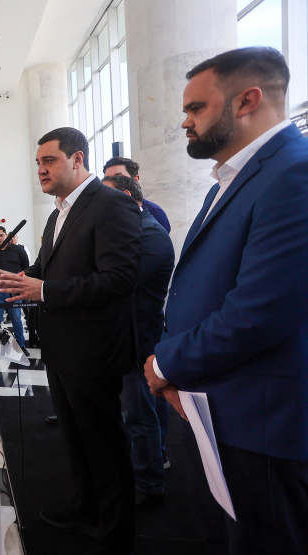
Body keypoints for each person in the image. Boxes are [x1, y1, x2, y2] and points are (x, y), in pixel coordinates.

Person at [145, 47, 308, 554]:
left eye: (196, 108)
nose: (185, 122)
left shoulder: (293, 175)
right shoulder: (237, 178)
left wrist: (166, 362)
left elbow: (257, 314)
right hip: (221, 407)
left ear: (247, 101)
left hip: (263, 424)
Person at [0, 127, 141, 553]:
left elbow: (120, 279)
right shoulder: (57, 213)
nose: (41, 170)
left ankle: (116, 533)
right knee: (75, 439)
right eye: (37, 163)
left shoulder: (111, 205)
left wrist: (44, 291)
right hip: (62, 347)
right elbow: (47, 270)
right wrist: (17, 279)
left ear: (77, 159)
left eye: (49, 161)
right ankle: (84, 509)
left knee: (105, 446)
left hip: (95, 350)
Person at [102, 174, 174, 507]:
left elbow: (118, 282)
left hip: (140, 339)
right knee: (130, 412)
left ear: (128, 197)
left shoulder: (151, 235)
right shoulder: (133, 231)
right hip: (124, 335)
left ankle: (149, 480)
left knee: (140, 414)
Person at [0, 226, 30, 353]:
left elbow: (26, 269)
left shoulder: (18, 250)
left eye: (1, 235)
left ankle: (21, 346)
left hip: (14, 289)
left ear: (6, 235)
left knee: (16, 318)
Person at [102, 157, 171, 232]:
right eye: (107, 179)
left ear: (135, 180)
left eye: (118, 177)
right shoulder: (106, 212)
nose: (111, 182)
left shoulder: (155, 212)